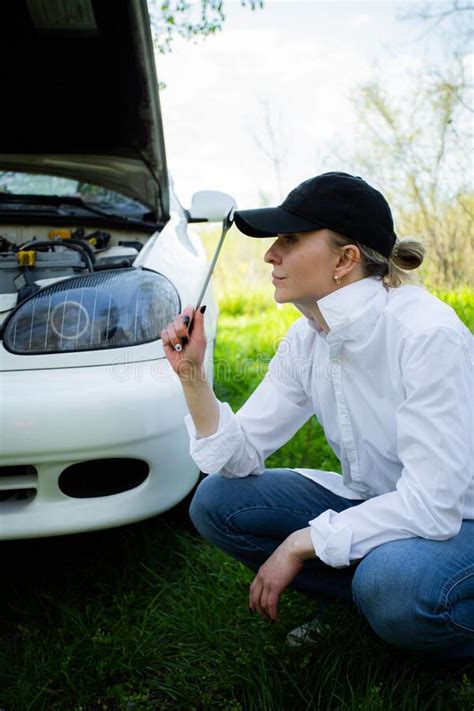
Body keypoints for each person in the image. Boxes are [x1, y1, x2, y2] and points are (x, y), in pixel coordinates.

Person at [160, 172, 474, 661]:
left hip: (459, 520)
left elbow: (434, 505)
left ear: (345, 260)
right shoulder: (307, 339)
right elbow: (235, 459)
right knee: (217, 501)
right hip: (380, 502)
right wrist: (192, 376)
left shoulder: (424, 333)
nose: (270, 255)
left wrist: (303, 542)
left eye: (289, 240)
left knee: (389, 582)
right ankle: (366, 611)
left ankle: (404, 612)